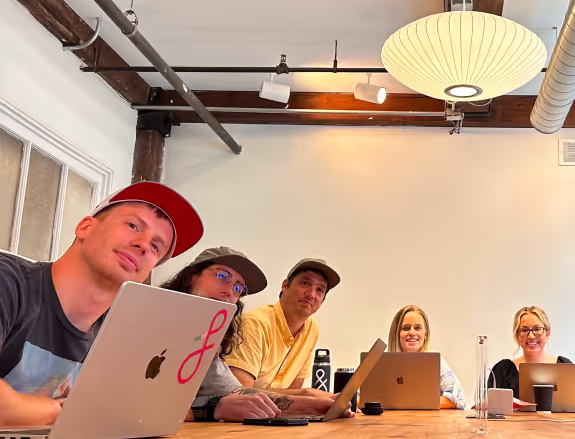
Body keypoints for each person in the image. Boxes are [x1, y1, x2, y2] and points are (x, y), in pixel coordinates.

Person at [0, 181, 202, 426]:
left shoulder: (120, 330)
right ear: (85, 227)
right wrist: (57, 412)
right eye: (132, 225)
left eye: (156, 246)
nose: (143, 245)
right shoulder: (9, 280)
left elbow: (148, 411)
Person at [161, 247, 346, 422]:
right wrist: (211, 409)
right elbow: (138, 405)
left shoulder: (202, 338)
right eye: (222, 276)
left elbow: (236, 394)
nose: (229, 292)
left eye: (238, 288)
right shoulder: (150, 313)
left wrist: (317, 405)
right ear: (193, 275)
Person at [225, 258, 339, 395]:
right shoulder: (254, 323)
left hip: (274, 415)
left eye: (320, 290)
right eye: (305, 283)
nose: (311, 294)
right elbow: (240, 395)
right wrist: (306, 394)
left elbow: (292, 394)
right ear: (285, 286)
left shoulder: (311, 329)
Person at [387, 305, 465, 409]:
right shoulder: (383, 363)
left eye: (417, 328)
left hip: (428, 423)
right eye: (406, 328)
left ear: (425, 334)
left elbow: (457, 399)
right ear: (396, 334)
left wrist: (411, 402)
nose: (412, 333)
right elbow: (361, 397)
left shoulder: (435, 361)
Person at [490, 306, 572, 393]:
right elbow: (491, 405)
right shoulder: (503, 371)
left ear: (547, 334)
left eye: (537, 329)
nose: (531, 336)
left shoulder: (565, 367)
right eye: (524, 330)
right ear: (517, 336)